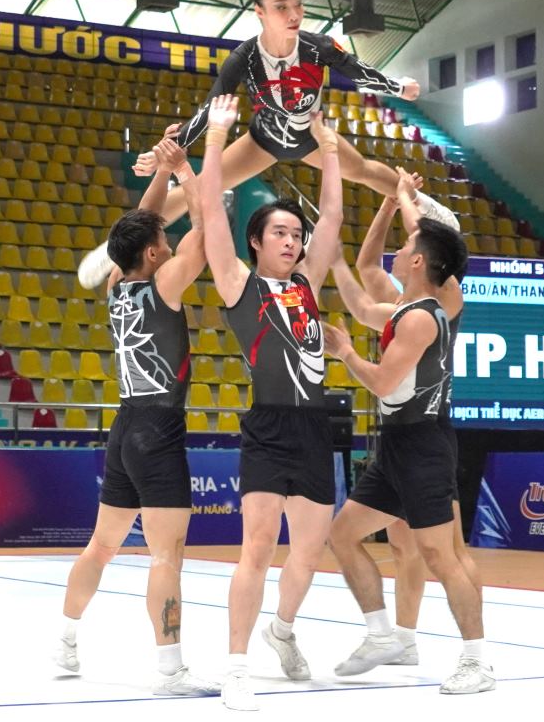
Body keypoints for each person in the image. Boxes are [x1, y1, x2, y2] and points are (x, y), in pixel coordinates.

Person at [76, 0, 454, 289]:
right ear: (259, 11)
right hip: (262, 139)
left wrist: (398, 87)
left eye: (298, 4)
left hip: (310, 135)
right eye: (281, 7)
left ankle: (426, 205)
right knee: (202, 185)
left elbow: (359, 71)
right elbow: (211, 108)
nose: (294, 14)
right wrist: (166, 152)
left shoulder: (318, 46)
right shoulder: (245, 57)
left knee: (366, 171)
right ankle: (116, 247)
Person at [53, 99, 238, 697]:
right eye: (163, 237)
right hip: (159, 430)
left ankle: (65, 644)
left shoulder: (117, 280)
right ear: (156, 253)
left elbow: (138, 224)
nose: (166, 233)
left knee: (102, 545)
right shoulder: (166, 281)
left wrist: (160, 169)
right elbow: (208, 232)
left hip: (125, 424)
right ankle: (170, 670)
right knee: (166, 557)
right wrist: (185, 171)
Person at [199, 98, 344, 711]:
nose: (291, 240)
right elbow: (209, 208)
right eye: (279, 233)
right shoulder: (239, 284)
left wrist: (330, 151)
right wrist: (217, 138)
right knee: (257, 545)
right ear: (256, 242)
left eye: (295, 233)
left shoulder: (308, 284)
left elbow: (332, 216)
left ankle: (281, 628)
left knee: (309, 553)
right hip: (268, 426)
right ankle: (236, 666)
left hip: (317, 425)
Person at [322, 216, 493, 694]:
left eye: (406, 244)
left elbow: (382, 381)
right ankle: (383, 635)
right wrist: (336, 262)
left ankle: (477, 662)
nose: (398, 251)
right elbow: (359, 306)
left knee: (440, 555)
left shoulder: (421, 318)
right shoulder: (406, 310)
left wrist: (347, 355)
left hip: (423, 447)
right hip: (396, 444)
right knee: (342, 534)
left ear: (418, 261)